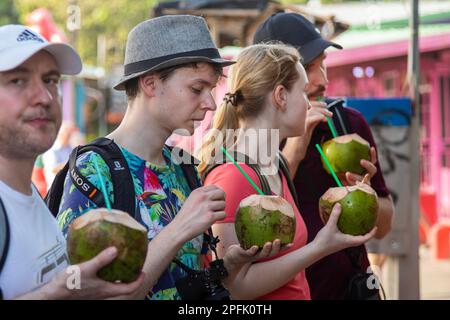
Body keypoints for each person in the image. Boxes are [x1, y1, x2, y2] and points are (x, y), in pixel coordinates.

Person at [55, 15, 276, 300]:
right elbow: (76, 291)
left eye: (211, 90)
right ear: (150, 84)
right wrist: (180, 227)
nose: (210, 104)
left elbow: (183, 278)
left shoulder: (183, 167)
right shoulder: (94, 171)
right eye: (197, 89)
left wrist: (228, 265)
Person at [197, 43, 377, 300]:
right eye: (303, 92)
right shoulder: (232, 176)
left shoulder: (276, 163)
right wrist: (320, 247)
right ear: (280, 96)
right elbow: (235, 287)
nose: (309, 103)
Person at [253, 12, 395, 299]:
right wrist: (294, 149)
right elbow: (258, 225)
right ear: (273, 84)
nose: (322, 80)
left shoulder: (348, 124)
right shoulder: (251, 140)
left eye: (323, 64)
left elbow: (384, 227)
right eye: (307, 68)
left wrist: (365, 194)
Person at [0, 24, 145, 299]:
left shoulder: (31, 196)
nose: (44, 97)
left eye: (50, 80)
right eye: (18, 80)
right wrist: (57, 291)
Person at [42, 121, 77, 188]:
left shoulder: (70, 147)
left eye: (69, 135)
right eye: (67, 135)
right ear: (60, 134)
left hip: (68, 187)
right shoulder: (51, 149)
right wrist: (72, 164)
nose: (69, 137)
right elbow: (53, 169)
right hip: (55, 188)